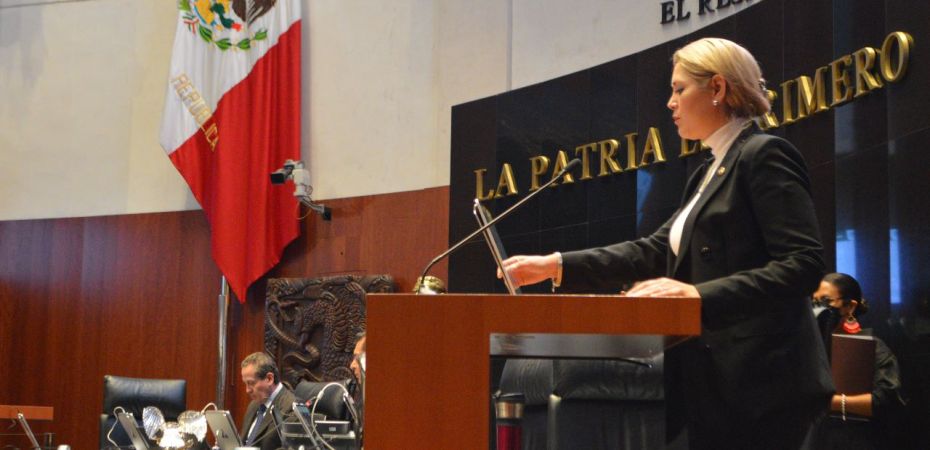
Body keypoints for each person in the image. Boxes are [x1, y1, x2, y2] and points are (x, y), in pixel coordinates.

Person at [499, 37, 834, 449]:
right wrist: (556, 264)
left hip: (763, 384)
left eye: (679, 89)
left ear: (717, 88)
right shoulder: (708, 171)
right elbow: (655, 251)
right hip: (712, 382)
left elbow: (803, 264)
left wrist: (697, 294)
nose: (669, 103)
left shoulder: (763, 154)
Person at [808, 273, 906, 449]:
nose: (817, 308)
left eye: (826, 301)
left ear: (850, 306)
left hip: (854, 439)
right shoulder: (810, 347)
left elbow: (886, 398)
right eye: (814, 302)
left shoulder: (872, 347)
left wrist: (829, 403)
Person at [240, 351, 296, 450]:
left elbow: (289, 448)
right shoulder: (253, 405)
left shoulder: (291, 407)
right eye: (245, 384)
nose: (247, 390)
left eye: (251, 383)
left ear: (269, 379)